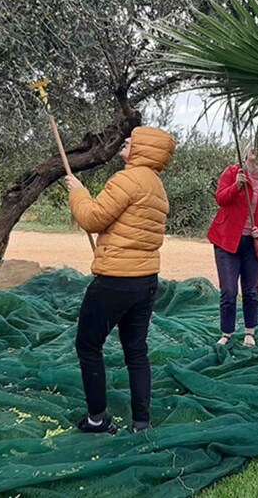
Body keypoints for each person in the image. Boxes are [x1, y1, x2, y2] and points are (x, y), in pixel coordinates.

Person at [65, 126, 176, 434]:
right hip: (146, 281)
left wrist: (77, 191)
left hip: (115, 280)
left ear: (145, 149)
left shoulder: (128, 179)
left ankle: (97, 419)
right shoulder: (157, 186)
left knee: (88, 344)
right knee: (136, 351)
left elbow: (92, 219)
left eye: (133, 141)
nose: (126, 143)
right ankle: (141, 422)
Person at [207, 146, 258, 347]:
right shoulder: (232, 173)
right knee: (228, 291)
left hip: (253, 243)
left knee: (251, 290)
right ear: (246, 154)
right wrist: (236, 186)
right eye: (253, 151)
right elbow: (221, 199)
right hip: (227, 241)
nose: (256, 156)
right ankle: (226, 332)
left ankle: (249, 332)